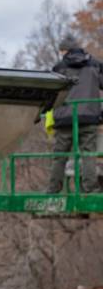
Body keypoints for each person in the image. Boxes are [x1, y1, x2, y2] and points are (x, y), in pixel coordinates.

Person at [47, 34, 103, 193]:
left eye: (61, 51)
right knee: (88, 155)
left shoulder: (58, 68)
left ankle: (53, 190)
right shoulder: (95, 65)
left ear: (65, 51)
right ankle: (90, 189)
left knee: (60, 157)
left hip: (64, 117)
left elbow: (50, 94)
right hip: (89, 117)